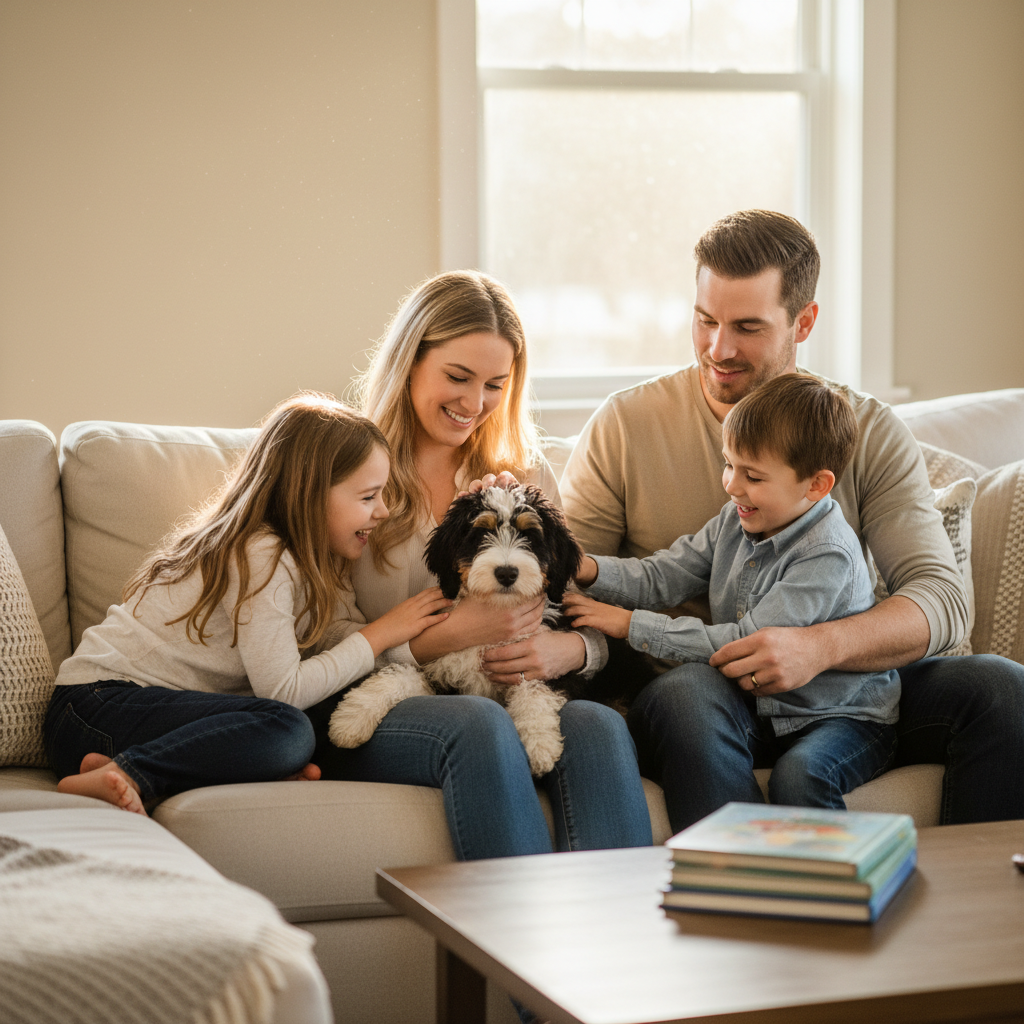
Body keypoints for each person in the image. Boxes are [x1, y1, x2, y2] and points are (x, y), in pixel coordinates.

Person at [559, 209, 1024, 830]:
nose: (718, 349)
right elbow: (574, 589)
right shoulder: (625, 425)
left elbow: (941, 600)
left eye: (747, 327)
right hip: (705, 688)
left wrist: (819, 647)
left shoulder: (866, 430)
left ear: (803, 321)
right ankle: (750, 883)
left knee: (1001, 688)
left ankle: (973, 892)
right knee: (687, 695)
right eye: (705, 320)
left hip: (843, 696)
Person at [303, 269, 653, 860]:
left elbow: (572, 605)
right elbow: (318, 637)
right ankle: (507, 919)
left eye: (495, 384)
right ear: (410, 362)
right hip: (379, 699)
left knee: (597, 725)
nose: (474, 404)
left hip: (512, 688)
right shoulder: (349, 471)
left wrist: (575, 651)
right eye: (457, 377)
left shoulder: (525, 474)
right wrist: (440, 640)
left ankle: (618, 914)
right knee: (478, 723)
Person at [44, 394, 453, 815]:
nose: (383, 511)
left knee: (308, 722)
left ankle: (116, 772)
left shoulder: (320, 560)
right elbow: (284, 692)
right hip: (93, 710)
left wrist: (418, 639)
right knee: (288, 728)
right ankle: (134, 773)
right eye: (368, 497)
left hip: (140, 723)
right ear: (311, 495)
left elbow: (335, 639)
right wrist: (379, 634)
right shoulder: (261, 553)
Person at [564, 372, 900, 810]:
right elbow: (662, 575)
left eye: (753, 476)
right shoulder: (734, 519)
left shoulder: (827, 555)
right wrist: (588, 569)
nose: (732, 485)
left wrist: (630, 625)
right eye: (729, 465)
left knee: (802, 775)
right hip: (764, 712)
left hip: (842, 717)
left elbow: (747, 642)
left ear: (816, 485)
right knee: (686, 711)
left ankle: (825, 856)